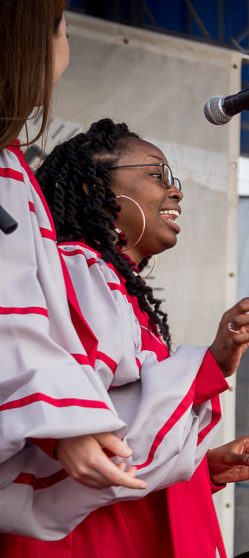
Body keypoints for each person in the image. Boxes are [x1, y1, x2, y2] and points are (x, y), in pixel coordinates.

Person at [0, 118, 249, 558]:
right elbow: (84, 424)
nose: (176, 189)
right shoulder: (78, 267)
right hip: (105, 547)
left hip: (149, 533)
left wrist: (202, 468)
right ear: (97, 188)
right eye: (157, 173)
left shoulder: (117, 288)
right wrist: (207, 364)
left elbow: (127, 422)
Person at [0, 0, 142, 494]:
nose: (175, 191)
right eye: (64, 34)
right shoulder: (84, 267)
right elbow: (8, 305)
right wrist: (66, 420)